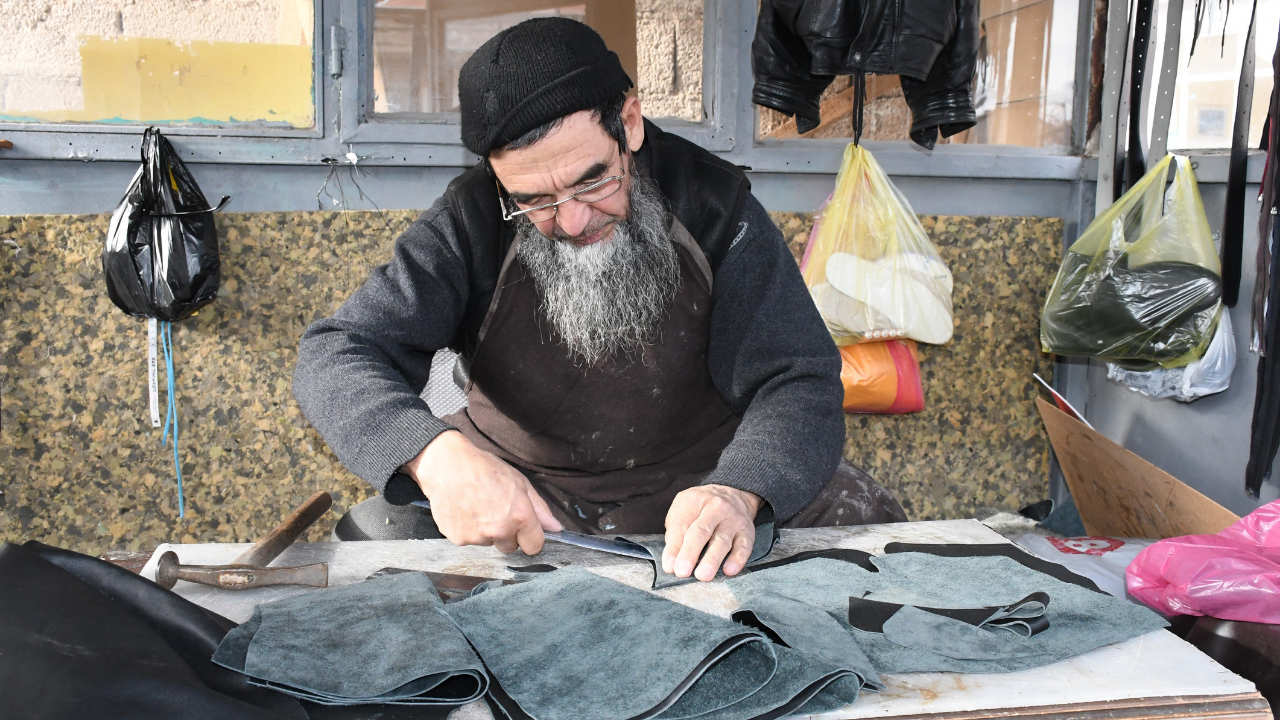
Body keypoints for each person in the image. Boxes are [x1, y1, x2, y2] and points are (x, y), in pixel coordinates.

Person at [293, 17, 905, 583]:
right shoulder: (472, 218)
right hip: (523, 498)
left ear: (630, 122)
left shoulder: (715, 206)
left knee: (877, 534)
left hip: (699, 488)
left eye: (593, 179)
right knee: (369, 549)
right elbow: (337, 352)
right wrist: (434, 457)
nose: (573, 219)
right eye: (533, 199)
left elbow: (798, 377)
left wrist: (741, 490)